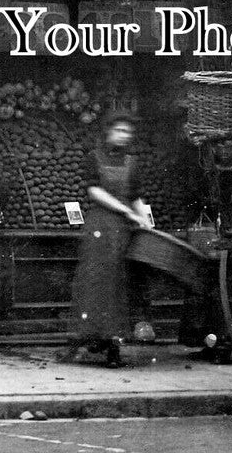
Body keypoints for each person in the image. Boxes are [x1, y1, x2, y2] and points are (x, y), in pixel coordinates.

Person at [63, 113, 154, 367]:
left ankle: (113, 346)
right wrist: (125, 211)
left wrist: (146, 221)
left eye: (127, 132)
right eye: (119, 130)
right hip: (100, 226)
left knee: (117, 285)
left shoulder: (132, 163)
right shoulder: (93, 158)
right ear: (108, 132)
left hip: (122, 231)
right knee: (95, 282)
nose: (123, 136)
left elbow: (136, 197)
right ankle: (89, 339)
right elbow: (94, 191)